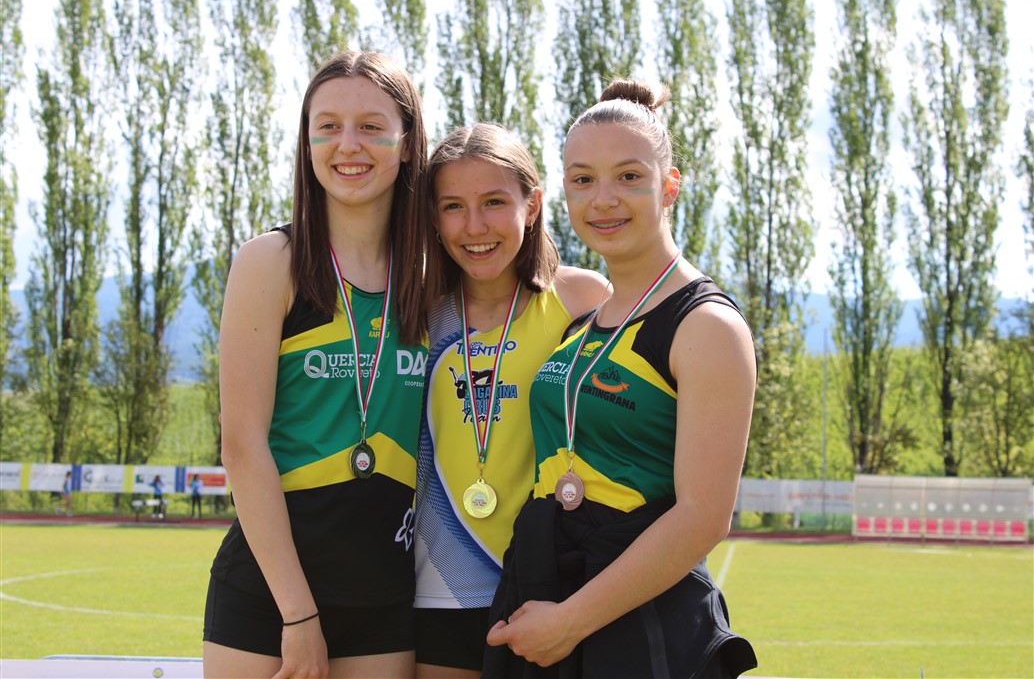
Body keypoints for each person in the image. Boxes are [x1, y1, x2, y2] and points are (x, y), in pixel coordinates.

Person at [483, 79, 759, 678]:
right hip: (542, 595)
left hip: (636, 622)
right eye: (583, 180)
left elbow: (704, 517)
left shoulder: (707, 325)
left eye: (629, 177)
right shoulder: (583, 324)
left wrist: (571, 621)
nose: (603, 199)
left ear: (669, 186)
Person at [203, 50, 429, 679]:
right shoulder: (270, 261)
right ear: (307, 143)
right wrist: (298, 616)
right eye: (327, 126)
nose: (347, 144)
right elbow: (241, 445)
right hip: (270, 597)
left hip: (385, 595)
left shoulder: (431, 275)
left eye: (371, 126)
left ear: (407, 142)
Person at [413, 124, 610, 679]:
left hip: (547, 588)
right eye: (453, 206)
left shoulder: (582, 298)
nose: (474, 227)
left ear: (532, 205)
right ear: (434, 219)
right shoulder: (417, 312)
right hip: (441, 587)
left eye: (495, 202)